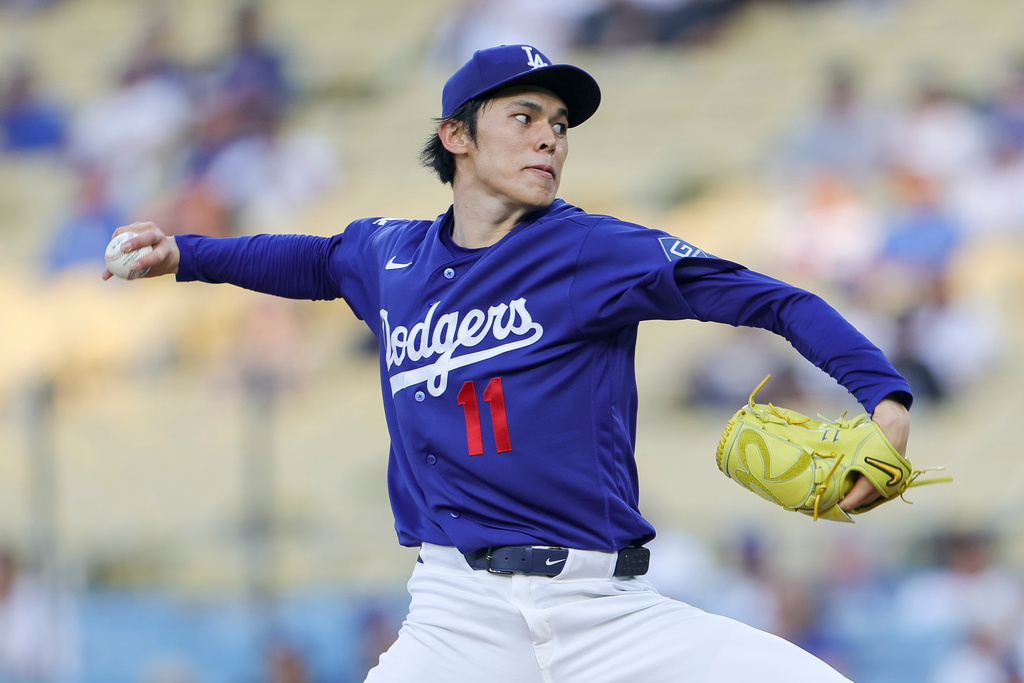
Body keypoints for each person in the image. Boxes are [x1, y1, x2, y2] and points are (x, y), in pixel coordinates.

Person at [102, 44, 913, 682]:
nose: (549, 137)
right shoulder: (388, 257)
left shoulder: (590, 250)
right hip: (458, 614)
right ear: (455, 135)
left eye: (559, 124)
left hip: (608, 613)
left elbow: (769, 298)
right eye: (524, 116)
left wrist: (884, 395)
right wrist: (187, 253)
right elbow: (310, 260)